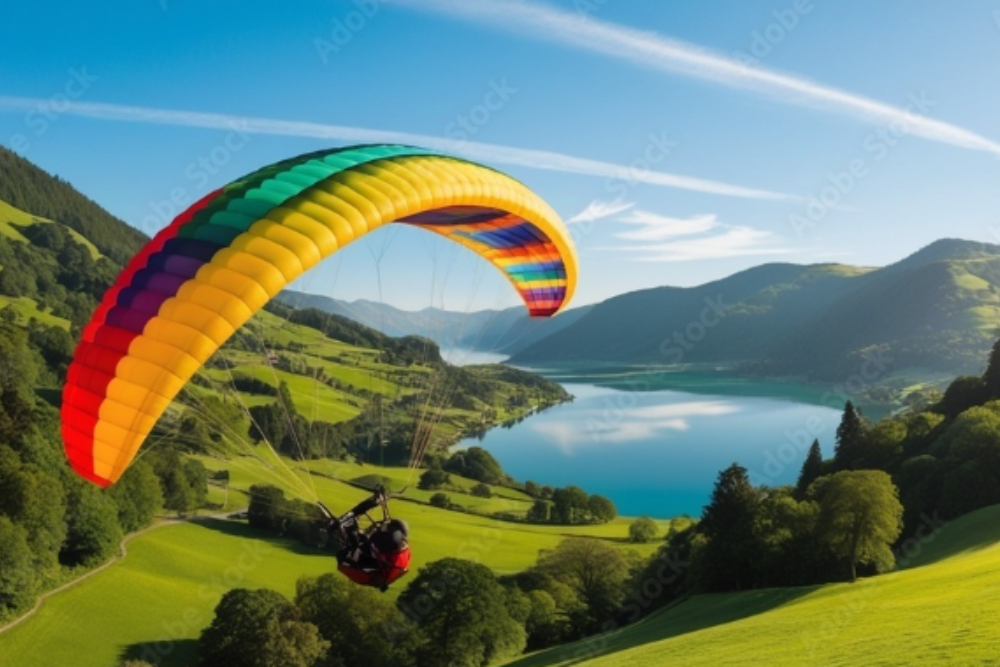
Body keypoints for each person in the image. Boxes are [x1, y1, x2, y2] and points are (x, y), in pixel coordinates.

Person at [319, 486, 411, 592]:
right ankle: (349, 526)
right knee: (367, 541)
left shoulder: (373, 572)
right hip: (379, 558)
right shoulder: (398, 554)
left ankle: (345, 527)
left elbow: (369, 545)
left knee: (360, 546)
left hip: (355, 562)